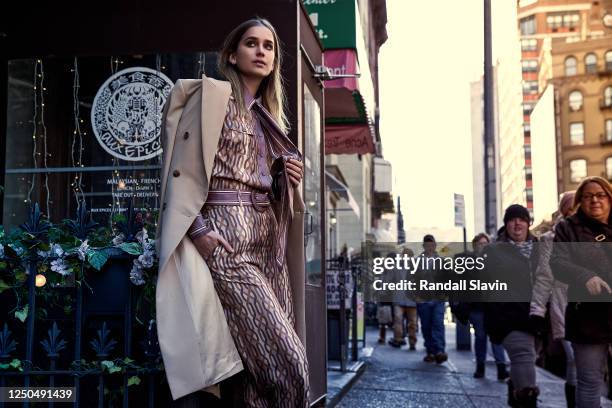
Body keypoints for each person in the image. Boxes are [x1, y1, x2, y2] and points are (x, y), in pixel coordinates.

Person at [156, 18, 309, 407]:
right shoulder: (212, 98)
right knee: (290, 365)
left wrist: (284, 178)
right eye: (251, 44)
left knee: (255, 376)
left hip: (267, 239)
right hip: (228, 236)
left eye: (269, 46)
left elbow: (263, 183)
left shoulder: (270, 118)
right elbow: (179, 168)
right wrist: (200, 230)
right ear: (231, 54)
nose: (261, 52)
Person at [550, 176, 612, 408]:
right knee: (588, 381)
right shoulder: (568, 229)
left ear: (609, 197)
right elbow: (557, 263)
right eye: (587, 196)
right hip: (587, 316)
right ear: (580, 201)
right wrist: (584, 276)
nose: (594, 200)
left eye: (600, 195)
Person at [483, 204, 541, 407]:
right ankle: (525, 397)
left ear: (528, 223)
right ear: (506, 224)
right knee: (524, 356)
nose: (517, 223)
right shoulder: (493, 250)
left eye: (522, 219)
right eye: (512, 219)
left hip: (537, 316)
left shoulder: (541, 248)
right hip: (508, 316)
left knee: (527, 359)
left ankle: (514, 390)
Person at [530, 191, 577, 407]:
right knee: (575, 359)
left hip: (597, 308)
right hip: (565, 306)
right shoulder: (551, 239)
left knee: (591, 365)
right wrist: (538, 311)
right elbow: (544, 277)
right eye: (571, 208)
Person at [451, 233, 508, 380]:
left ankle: (501, 368)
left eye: (485, 244)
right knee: (480, 337)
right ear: (475, 246)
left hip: (494, 307)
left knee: (496, 337)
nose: (483, 246)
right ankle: (480, 367)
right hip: (477, 308)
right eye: (480, 244)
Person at [415, 235, 448, 364]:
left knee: (438, 324)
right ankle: (430, 352)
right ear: (424, 246)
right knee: (426, 326)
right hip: (423, 299)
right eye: (427, 245)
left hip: (438, 298)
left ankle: (439, 351)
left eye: (432, 245)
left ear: (435, 246)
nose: (429, 248)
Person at [388, 247, 419, 350]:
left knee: (412, 323)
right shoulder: (396, 267)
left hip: (412, 300)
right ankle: (398, 339)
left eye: (408, 256)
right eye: (404, 255)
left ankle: (412, 342)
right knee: (398, 319)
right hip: (398, 298)